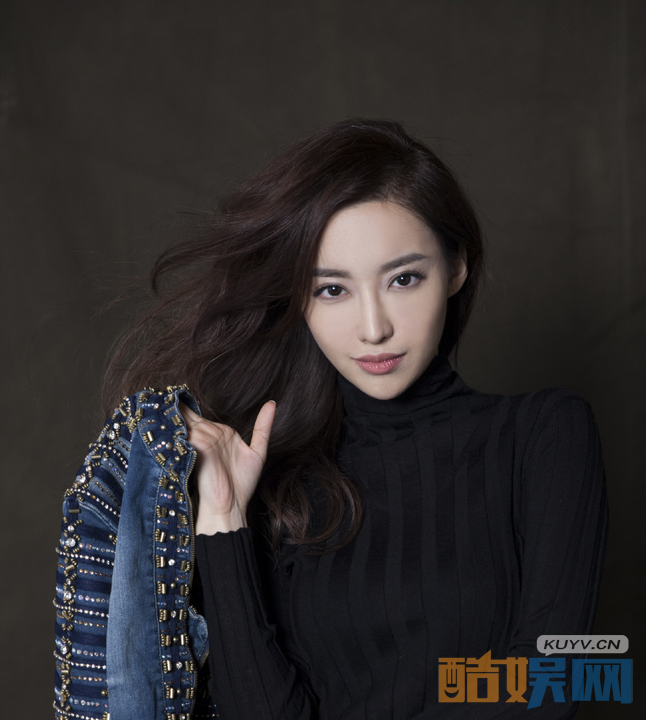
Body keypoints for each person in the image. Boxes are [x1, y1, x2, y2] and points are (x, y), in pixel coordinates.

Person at [54, 118, 608, 720]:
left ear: (456, 268)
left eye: (403, 279)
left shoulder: (543, 434)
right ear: (299, 299)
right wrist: (224, 521)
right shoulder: (275, 480)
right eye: (332, 290)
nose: (374, 328)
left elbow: (561, 675)